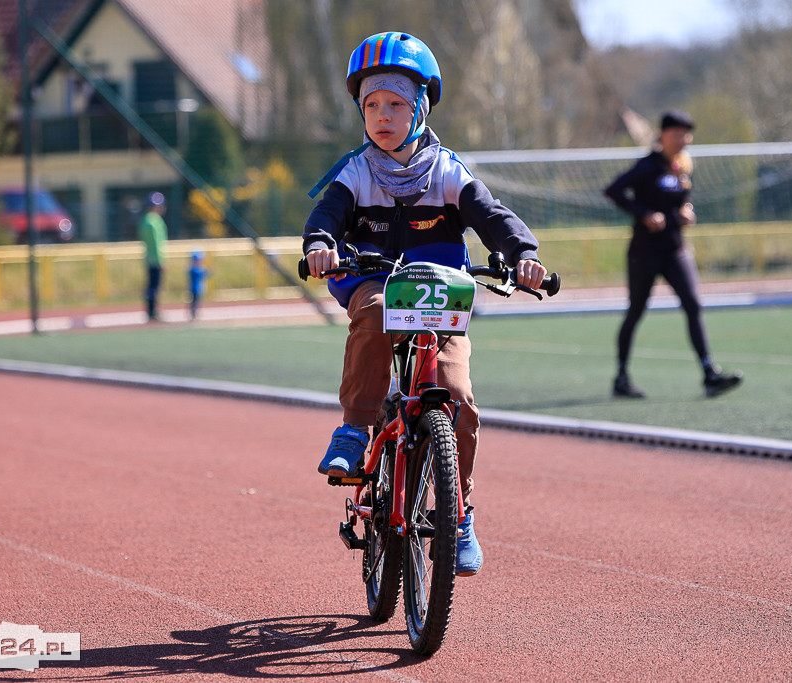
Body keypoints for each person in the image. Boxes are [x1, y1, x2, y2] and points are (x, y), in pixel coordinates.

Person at [302, 31, 547, 577]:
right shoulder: (357, 172)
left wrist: (522, 253)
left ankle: (456, 515)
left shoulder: (445, 170)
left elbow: (492, 217)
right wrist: (319, 245)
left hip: (440, 292)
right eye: (371, 105)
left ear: (420, 110)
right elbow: (325, 218)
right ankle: (354, 429)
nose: (382, 116)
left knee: (457, 397)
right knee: (370, 312)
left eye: (396, 104)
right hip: (375, 283)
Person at [604, 109, 742, 399]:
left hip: (675, 248)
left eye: (686, 134)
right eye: (677, 134)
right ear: (663, 135)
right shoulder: (647, 166)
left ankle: (710, 374)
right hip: (645, 251)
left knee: (693, 304)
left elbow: (682, 200)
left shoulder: (681, 166)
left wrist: (686, 211)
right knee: (636, 310)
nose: (683, 139)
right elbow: (613, 190)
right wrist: (644, 214)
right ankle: (621, 377)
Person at [139, 192, 168, 321]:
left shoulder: (145, 220)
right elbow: (157, 243)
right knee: (154, 287)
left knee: (150, 286)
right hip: (155, 259)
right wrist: (161, 260)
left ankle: (150, 310)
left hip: (148, 258)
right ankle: (153, 311)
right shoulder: (155, 221)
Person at [188, 250, 209, 319]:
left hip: (198, 289)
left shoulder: (196, 269)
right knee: (194, 301)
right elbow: (201, 274)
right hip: (194, 288)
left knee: (197, 301)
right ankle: (193, 313)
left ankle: (195, 313)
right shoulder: (193, 269)